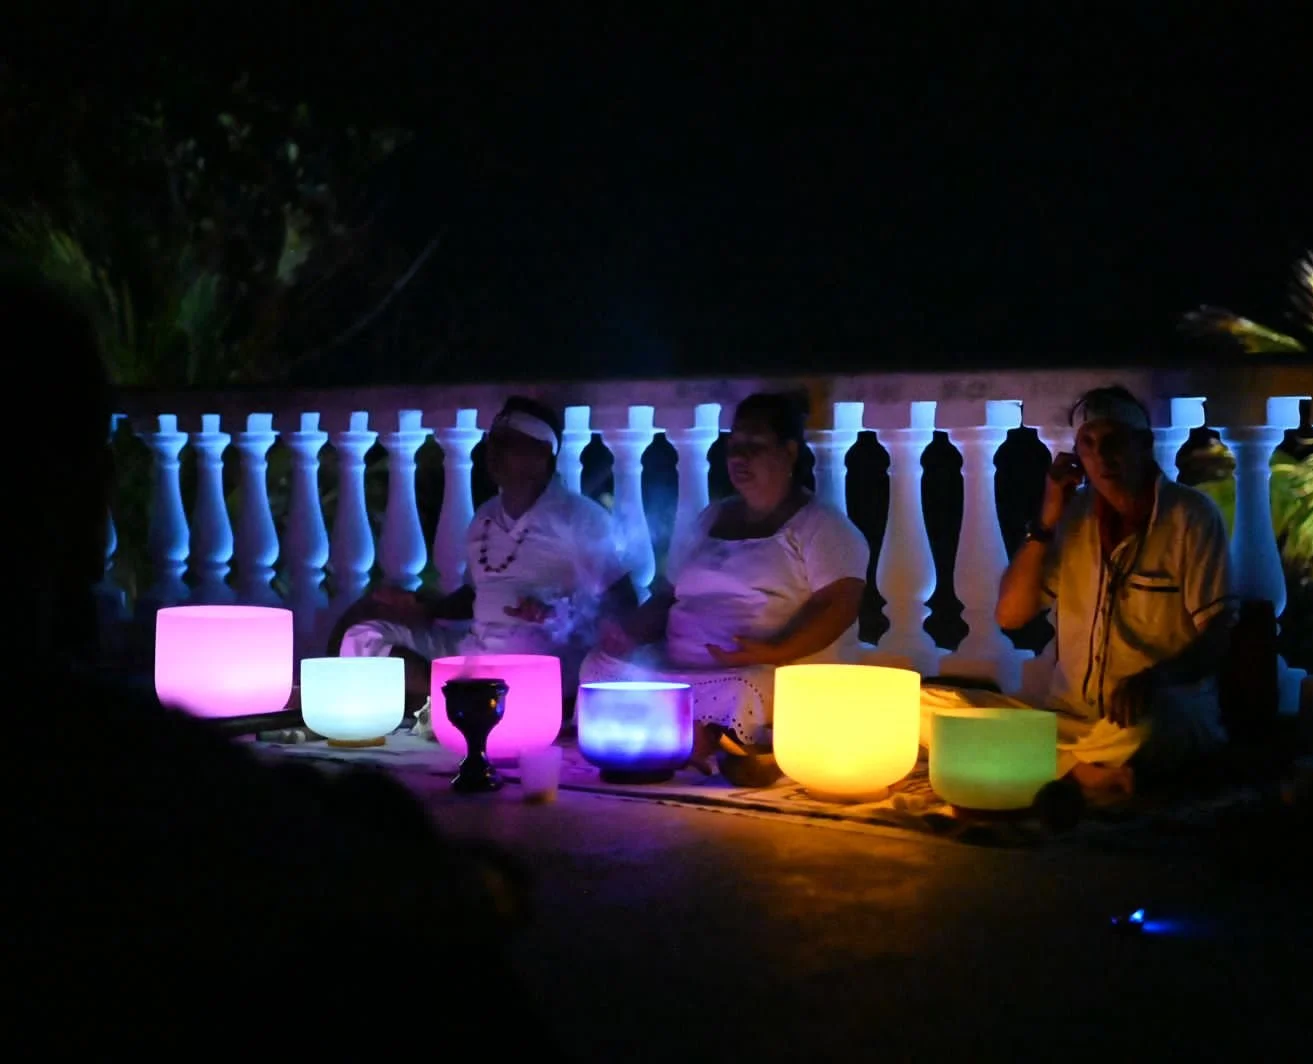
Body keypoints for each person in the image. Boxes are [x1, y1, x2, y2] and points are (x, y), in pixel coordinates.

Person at [8, 266, 546, 1045]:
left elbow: (605, 596)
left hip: (533, 649)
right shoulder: (139, 772)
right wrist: (423, 610)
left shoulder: (133, 765)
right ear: (79, 495)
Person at [924, 385, 1237, 797]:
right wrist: (1045, 522)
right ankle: (1084, 772)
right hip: (1068, 718)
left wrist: (1154, 680)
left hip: (1146, 717)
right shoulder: (1073, 516)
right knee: (926, 705)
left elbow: (1218, 634)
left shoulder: (1189, 516)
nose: (1101, 456)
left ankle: (1056, 765)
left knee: (1147, 731)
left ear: (1144, 444)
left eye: (1113, 441)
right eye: (1088, 444)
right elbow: (1011, 616)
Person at [581, 392, 870, 778]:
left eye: (754, 446)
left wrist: (775, 650)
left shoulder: (820, 525)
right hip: (677, 671)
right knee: (600, 665)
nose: (739, 458)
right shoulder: (710, 518)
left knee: (741, 689)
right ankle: (691, 737)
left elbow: (840, 605)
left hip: (757, 670)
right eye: (734, 446)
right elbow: (667, 595)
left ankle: (690, 738)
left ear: (788, 452)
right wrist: (628, 632)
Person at [336, 397, 635, 708]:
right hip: (474, 651)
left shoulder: (580, 518)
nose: (494, 453)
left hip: (534, 663)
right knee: (362, 637)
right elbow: (475, 595)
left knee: (524, 661)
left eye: (508, 444)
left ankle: (466, 698)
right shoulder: (485, 516)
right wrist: (424, 608)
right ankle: (458, 694)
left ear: (541, 454)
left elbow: (623, 602)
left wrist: (556, 614)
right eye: (493, 442)